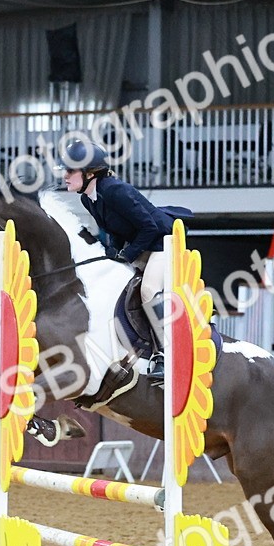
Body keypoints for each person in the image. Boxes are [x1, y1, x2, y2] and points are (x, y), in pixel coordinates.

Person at [56, 140, 191, 380]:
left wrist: (126, 255)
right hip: (144, 244)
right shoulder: (88, 198)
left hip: (164, 242)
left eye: (70, 171)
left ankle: (166, 353)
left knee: (148, 290)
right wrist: (112, 251)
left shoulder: (115, 191)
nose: (65, 176)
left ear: (89, 173)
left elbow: (149, 227)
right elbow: (116, 229)